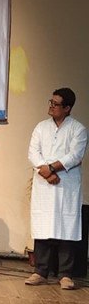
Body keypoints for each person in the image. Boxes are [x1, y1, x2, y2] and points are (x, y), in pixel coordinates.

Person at [25, 88, 87, 290]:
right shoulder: (41, 127)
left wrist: (51, 168)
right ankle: (40, 271)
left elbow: (75, 155)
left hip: (66, 185)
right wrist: (46, 172)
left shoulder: (78, 129)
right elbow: (33, 152)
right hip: (44, 183)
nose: (51, 106)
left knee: (66, 227)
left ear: (67, 108)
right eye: (50, 102)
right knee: (43, 226)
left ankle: (65, 275)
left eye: (56, 104)